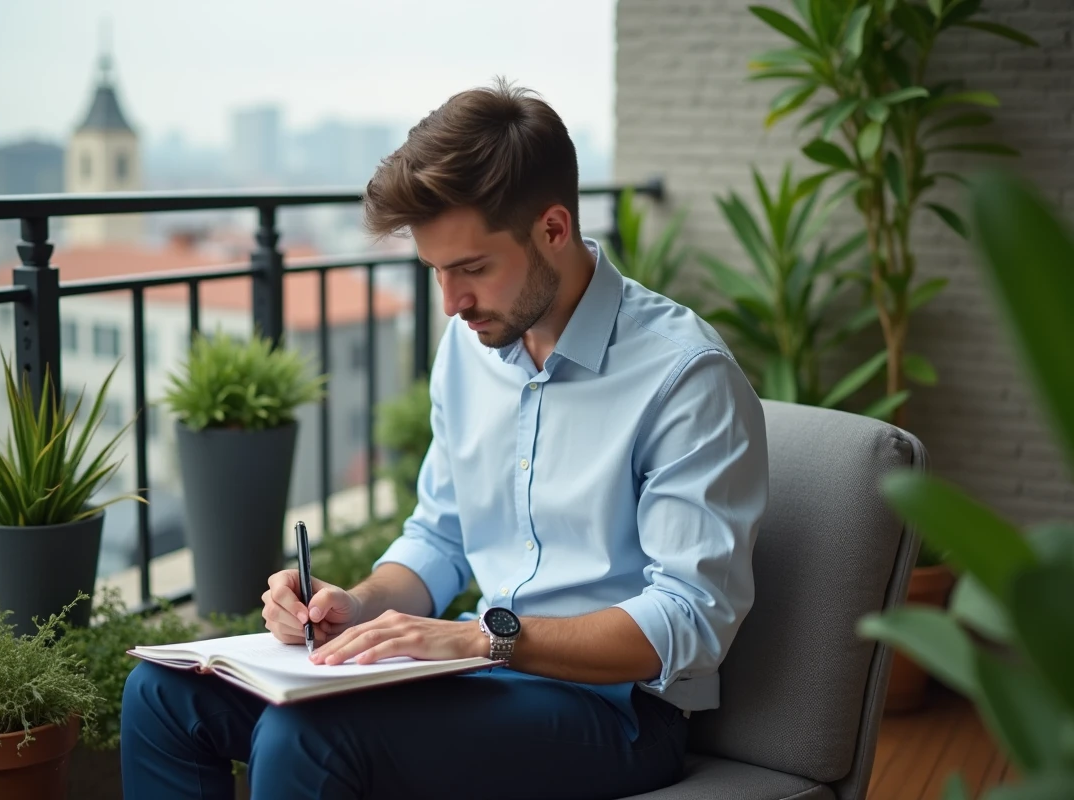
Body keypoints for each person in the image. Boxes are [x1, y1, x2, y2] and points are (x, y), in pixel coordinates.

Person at [120, 78, 769, 800]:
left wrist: (485, 639)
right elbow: (441, 535)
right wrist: (356, 606)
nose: (451, 303)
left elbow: (689, 618)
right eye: (435, 271)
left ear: (553, 229)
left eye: (472, 269)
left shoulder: (684, 376)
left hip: (617, 712)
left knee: (309, 738)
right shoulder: (470, 347)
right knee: (163, 695)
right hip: (481, 674)